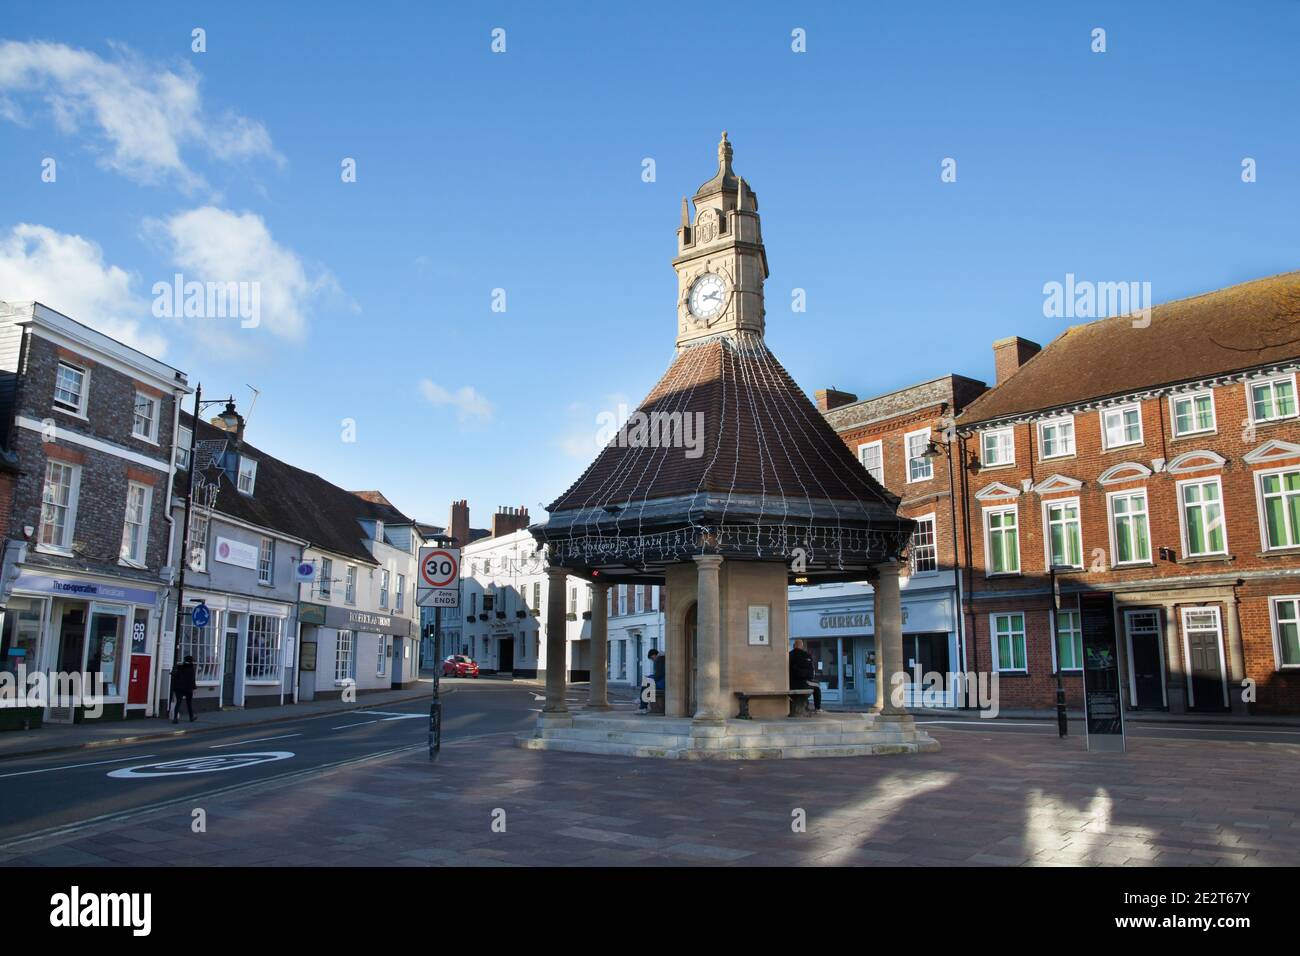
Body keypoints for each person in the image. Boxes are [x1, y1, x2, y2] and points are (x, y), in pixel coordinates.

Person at [788, 639, 821, 712]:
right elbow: (811, 672)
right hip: (803, 683)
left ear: (794, 646)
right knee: (817, 686)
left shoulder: (789, 655)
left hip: (789, 684)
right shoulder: (805, 655)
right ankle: (817, 708)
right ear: (802, 646)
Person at [171, 655, 197, 723]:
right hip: (188, 688)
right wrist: (194, 688)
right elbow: (192, 680)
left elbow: (173, 675)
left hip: (179, 688)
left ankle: (175, 718)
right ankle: (191, 717)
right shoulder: (191, 668)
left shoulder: (179, 667)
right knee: (189, 703)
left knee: (178, 703)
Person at [638, 648, 659, 713]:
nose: (653, 660)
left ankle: (643, 707)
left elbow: (659, 675)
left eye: (652, 658)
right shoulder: (659, 661)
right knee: (647, 682)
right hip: (660, 681)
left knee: (646, 685)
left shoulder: (660, 661)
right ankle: (647, 706)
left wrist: (650, 677)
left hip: (661, 682)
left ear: (655, 655)